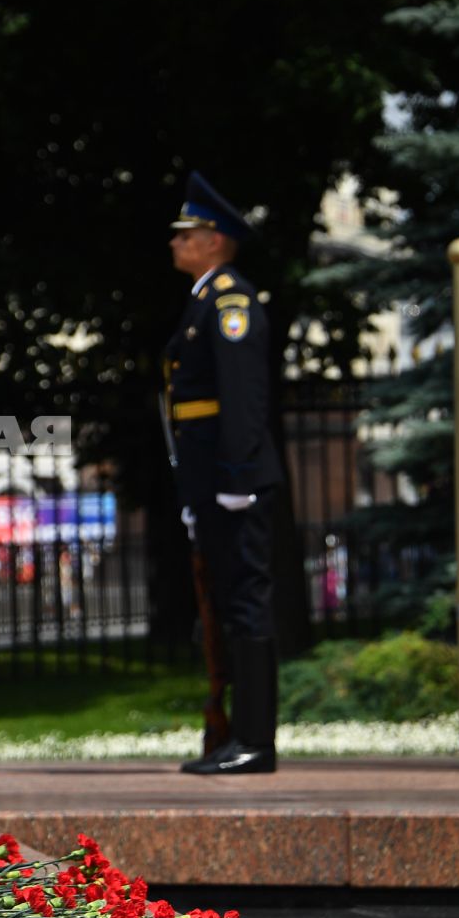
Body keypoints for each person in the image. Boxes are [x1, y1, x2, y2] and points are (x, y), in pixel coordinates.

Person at [162, 172, 284, 775]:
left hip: (233, 481)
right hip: (213, 481)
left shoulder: (230, 301)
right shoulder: (205, 301)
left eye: (186, 233)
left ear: (214, 240)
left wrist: (235, 480)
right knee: (230, 603)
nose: (175, 242)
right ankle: (240, 735)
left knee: (246, 604)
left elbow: (241, 400)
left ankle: (256, 741)